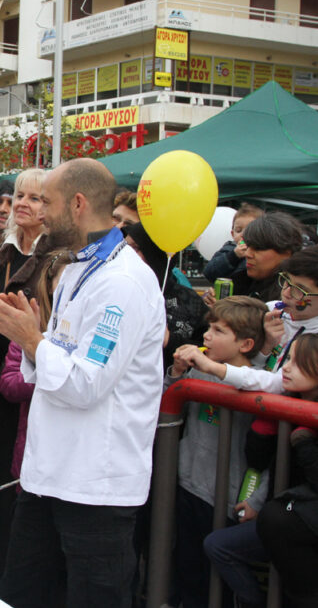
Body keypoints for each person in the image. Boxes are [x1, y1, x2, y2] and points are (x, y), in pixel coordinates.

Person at [0, 157, 165, 608]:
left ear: (78, 204)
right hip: (47, 474)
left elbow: (87, 383)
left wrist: (31, 340)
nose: (37, 211)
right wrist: (32, 342)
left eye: (47, 201)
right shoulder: (75, 268)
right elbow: (56, 358)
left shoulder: (123, 282)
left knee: (93, 597)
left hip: (96, 484)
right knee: (21, 590)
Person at [165, 296, 271, 608]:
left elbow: (270, 455)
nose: (206, 336)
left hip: (228, 496)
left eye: (218, 331)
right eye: (208, 328)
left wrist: (258, 499)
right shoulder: (197, 371)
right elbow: (166, 406)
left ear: (246, 344)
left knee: (218, 581)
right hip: (187, 485)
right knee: (188, 568)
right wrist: (176, 371)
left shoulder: (260, 385)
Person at [203, 333, 318, 607]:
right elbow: (258, 461)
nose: (286, 368)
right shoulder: (286, 401)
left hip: (303, 522)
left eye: (298, 362)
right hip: (283, 515)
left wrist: (304, 440)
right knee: (218, 545)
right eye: (288, 359)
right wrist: (263, 428)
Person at [0, 167, 52, 590]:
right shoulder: (1, 252)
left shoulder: (55, 258)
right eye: (18, 195)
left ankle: (10, 580)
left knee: (16, 483)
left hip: (26, 384)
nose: (20, 203)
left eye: (34, 198)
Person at [0, 250, 74, 480]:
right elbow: (9, 383)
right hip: (36, 442)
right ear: (50, 285)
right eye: (63, 281)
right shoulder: (32, 324)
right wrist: (47, 370)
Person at [125, 221, 209, 370]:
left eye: (136, 248)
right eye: (124, 246)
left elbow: (210, 351)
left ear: (154, 254)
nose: (126, 253)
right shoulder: (111, 289)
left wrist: (170, 341)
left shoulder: (190, 302)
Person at [204, 211, 303, 305]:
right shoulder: (241, 280)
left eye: (258, 248)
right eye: (248, 246)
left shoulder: (295, 297)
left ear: (286, 253)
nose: (248, 254)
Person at [202, 203, 264, 283]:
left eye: (250, 230)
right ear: (232, 234)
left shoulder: (264, 251)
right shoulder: (228, 249)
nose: (243, 234)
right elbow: (209, 272)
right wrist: (233, 256)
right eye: (238, 230)